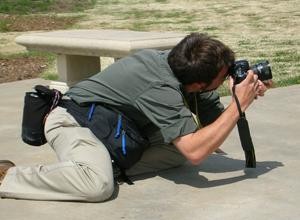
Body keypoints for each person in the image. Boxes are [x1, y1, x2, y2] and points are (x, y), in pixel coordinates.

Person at [0, 33, 270, 202]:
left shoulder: (183, 70)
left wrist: (242, 100)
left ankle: (104, 163)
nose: (227, 78)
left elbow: (211, 132)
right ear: (199, 84)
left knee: (179, 153)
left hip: (117, 127)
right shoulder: (160, 86)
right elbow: (197, 151)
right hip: (74, 120)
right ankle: (9, 176)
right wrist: (238, 103)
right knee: (98, 185)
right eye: (224, 76)